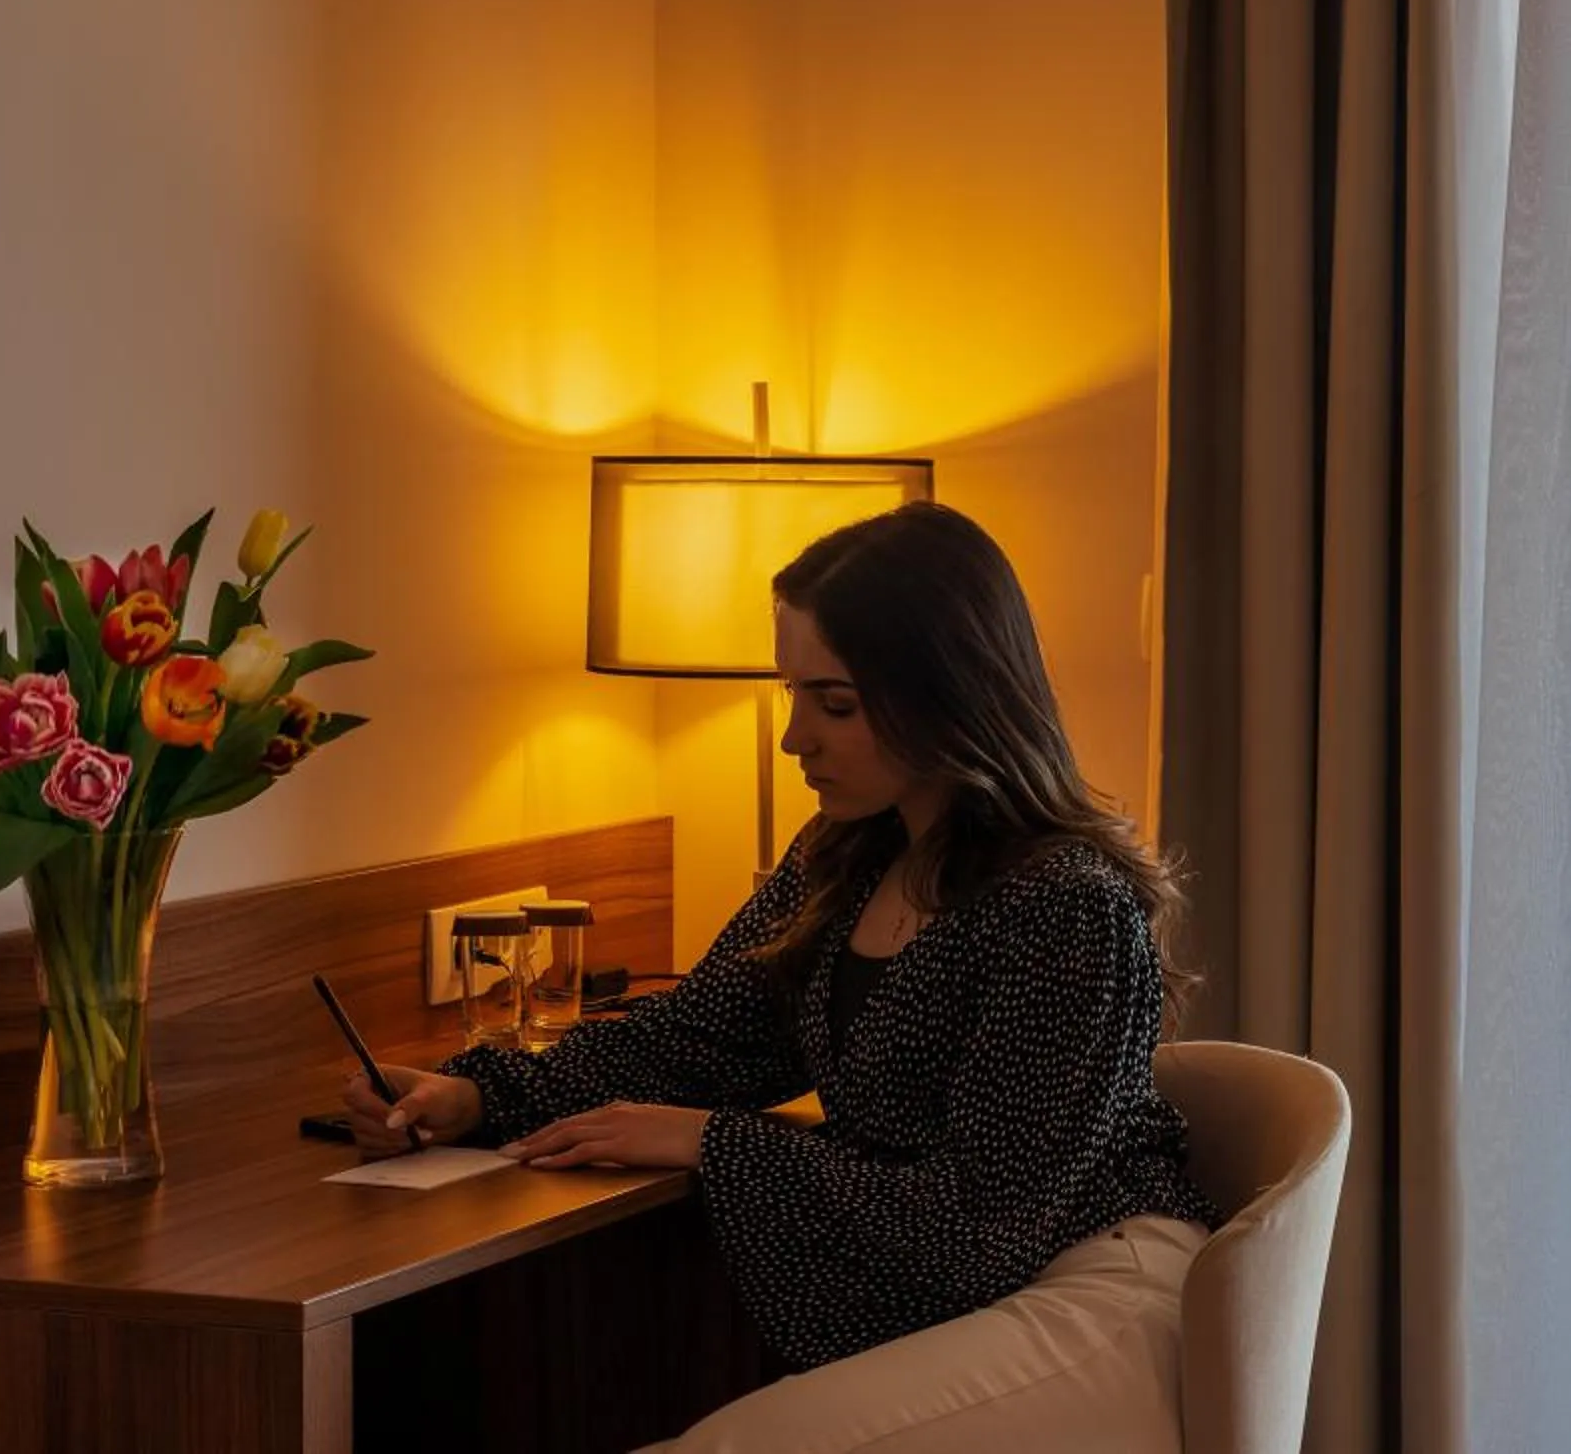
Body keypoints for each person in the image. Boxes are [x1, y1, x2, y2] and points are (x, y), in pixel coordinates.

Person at [345, 502, 1217, 1453]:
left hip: (1093, 1289)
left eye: (834, 703)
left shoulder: (1066, 907)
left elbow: (980, 1223)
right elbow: (700, 1039)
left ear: (950, 691)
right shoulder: (841, 859)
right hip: (981, 1287)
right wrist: (479, 1093)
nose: (795, 737)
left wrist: (712, 1144)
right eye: (791, 693)